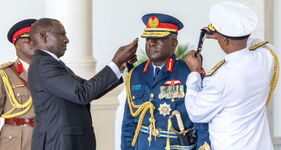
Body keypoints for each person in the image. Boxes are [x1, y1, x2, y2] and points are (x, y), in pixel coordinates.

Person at [28, 18, 138, 150]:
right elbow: (82, 94)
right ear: (44, 36)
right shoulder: (44, 65)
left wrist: (119, 66)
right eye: (61, 34)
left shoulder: (51, 64)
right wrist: (115, 61)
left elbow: (87, 89)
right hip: (57, 143)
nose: (66, 39)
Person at [184, 2, 279, 150]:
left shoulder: (219, 79)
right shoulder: (266, 57)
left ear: (224, 40)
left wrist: (194, 73)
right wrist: (225, 33)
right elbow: (257, 43)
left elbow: (195, 112)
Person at [121, 13, 210, 150]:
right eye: (149, 38)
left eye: (158, 38)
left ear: (174, 44)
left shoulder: (190, 73)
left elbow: (202, 123)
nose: (151, 42)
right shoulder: (136, 74)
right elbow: (129, 124)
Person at [0, 19, 37, 150]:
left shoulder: (51, 72)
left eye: (36, 39)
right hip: (16, 140)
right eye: (28, 39)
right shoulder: (4, 74)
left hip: (46, 135)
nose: (33, 43)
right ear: (16, 44)